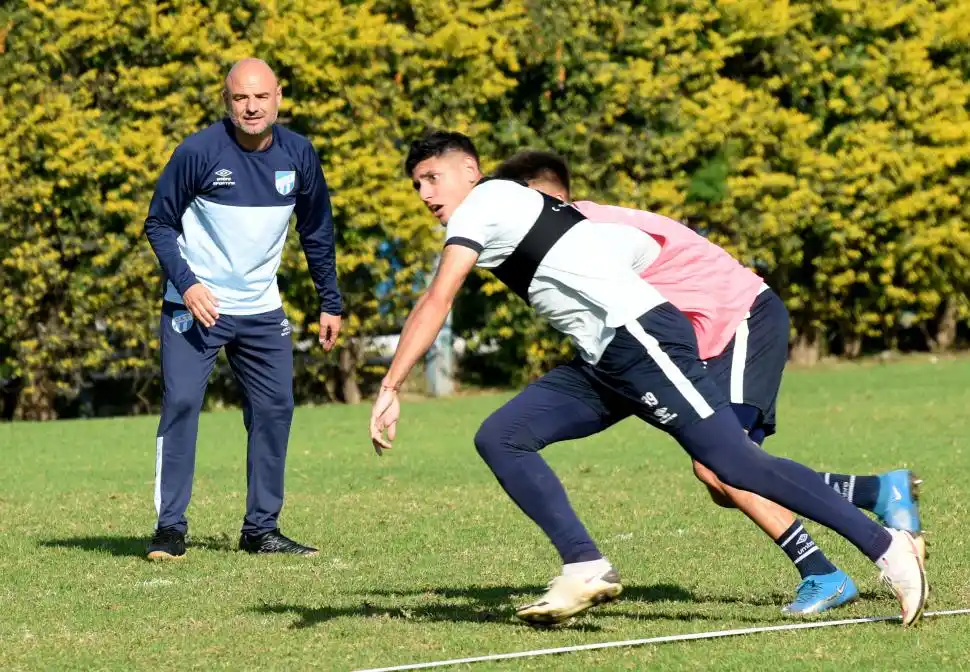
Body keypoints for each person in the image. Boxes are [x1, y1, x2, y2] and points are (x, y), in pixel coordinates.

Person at [368, 130, 928, 627]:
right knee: (502, 435)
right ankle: (586, 566)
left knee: (731, 464)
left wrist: (391, 385)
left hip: (639, 341)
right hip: (605, 356)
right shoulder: (525, 208)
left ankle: (886, 548)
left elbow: (439, 297)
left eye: (431, 177)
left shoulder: (483, 201)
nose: (425, 194)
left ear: (470, 169)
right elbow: (634, 247)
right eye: (417, 184)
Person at [143, 58, 342, 560]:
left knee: (276, 410)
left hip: (260, 309)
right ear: (226, 101)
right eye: (240, 98)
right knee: (183, 405)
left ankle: (261, 530)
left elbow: (316, 231)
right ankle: (170, 530)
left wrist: (330, 301)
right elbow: (159, 225)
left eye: (260, 97)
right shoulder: (198, 152)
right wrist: (186, 285)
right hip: (196, 307)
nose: (251, 107)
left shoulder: (299, 154)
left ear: (278, 96)